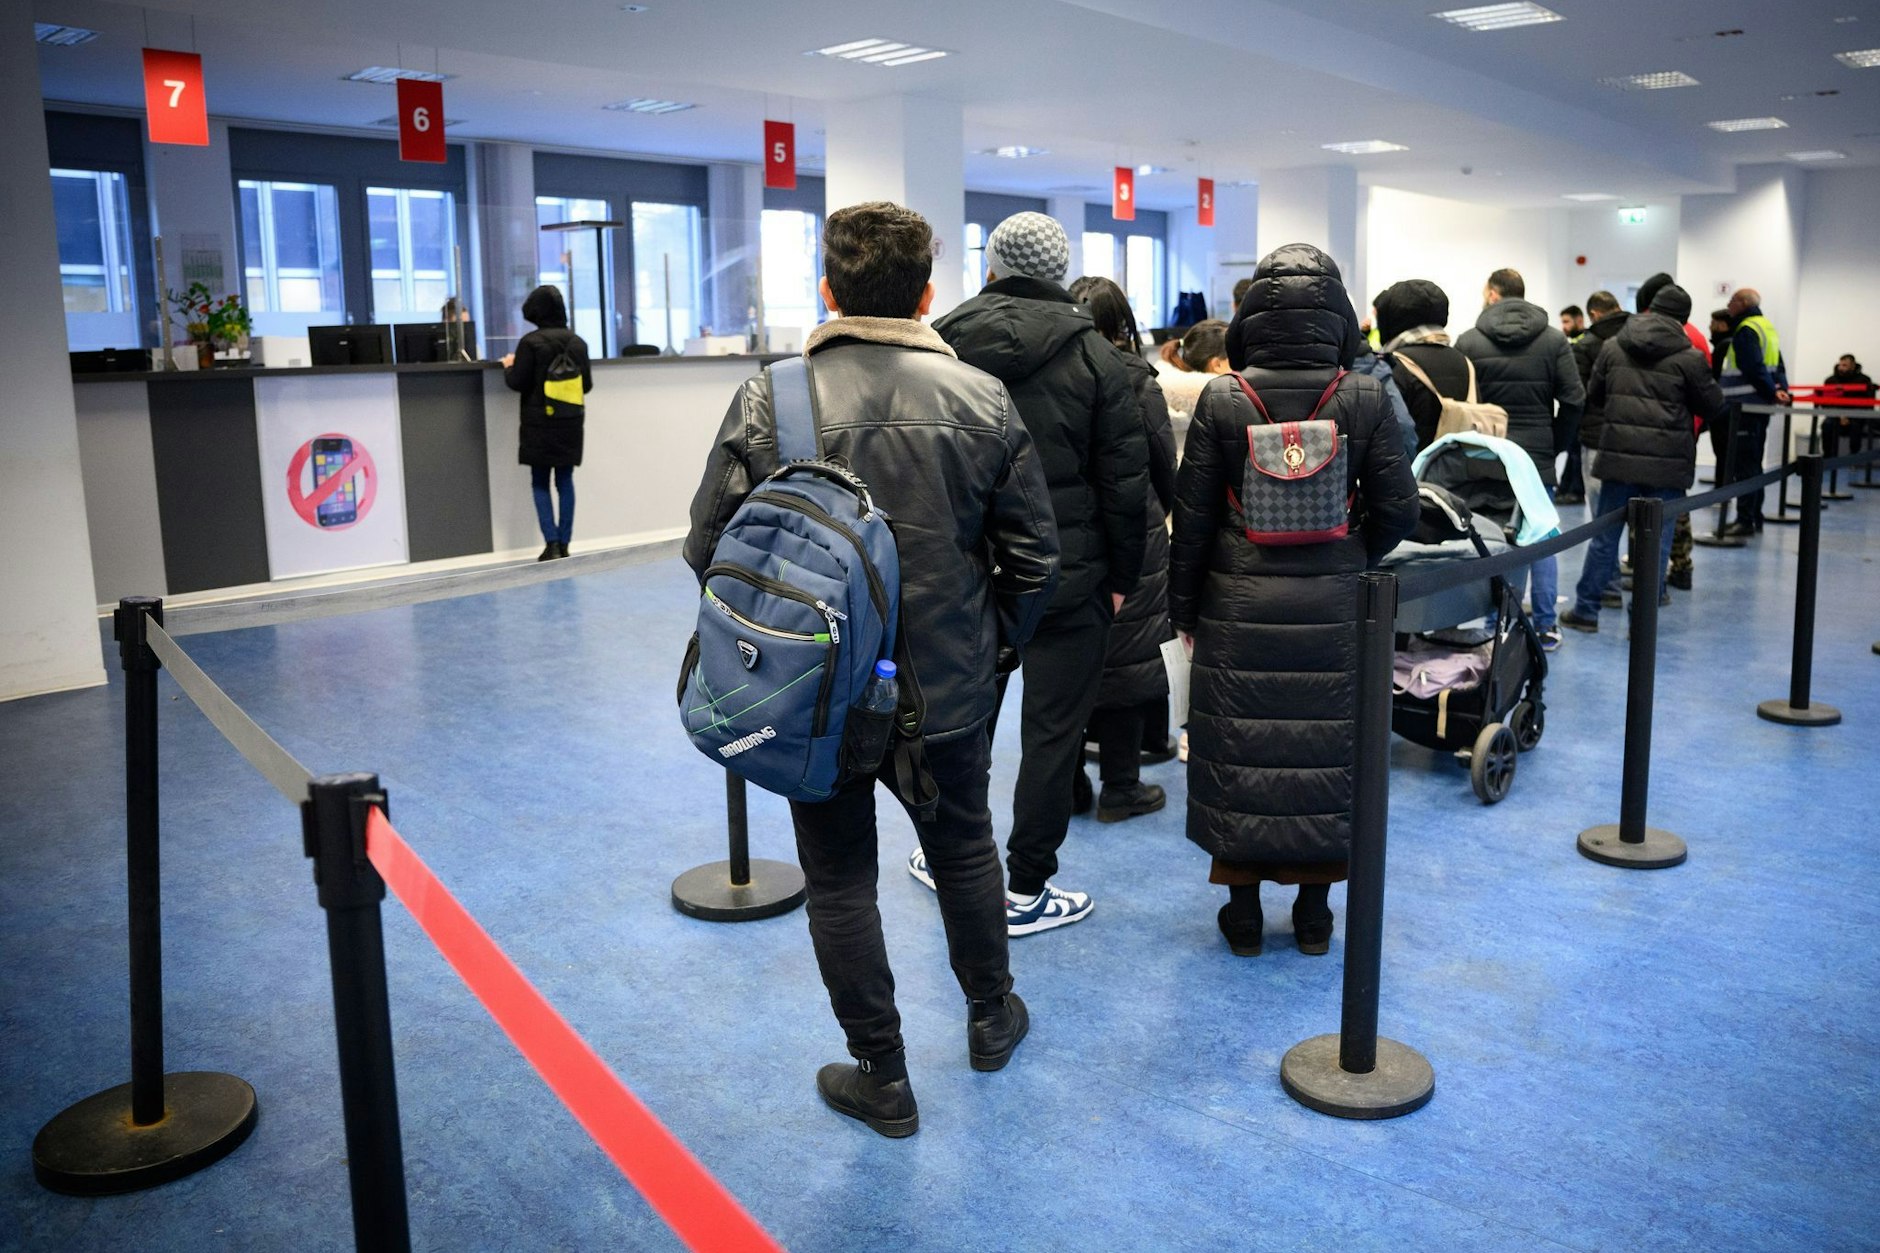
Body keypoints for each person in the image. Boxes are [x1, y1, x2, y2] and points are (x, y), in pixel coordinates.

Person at [684, 202, 1058, 1138]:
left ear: (828, 288)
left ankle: (882, 1074)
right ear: (929, 291)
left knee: (840, 876)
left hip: (818, 695)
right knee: (966, 844)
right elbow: (1036, 561)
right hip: (950, 690)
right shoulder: (982, 398)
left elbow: (708, 547)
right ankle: (989, 1017)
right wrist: (990, 644)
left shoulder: (775, 397)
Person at [1168, 243, 1419, 958]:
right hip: (1336, 609)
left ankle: (1242, 916)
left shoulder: (1222, 397)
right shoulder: (1364, 395)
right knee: (1322, 753)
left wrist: (1182, 611)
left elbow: (1191, 522)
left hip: (1235, 601)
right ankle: (1314, 915)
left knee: (1240, 752)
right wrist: (1352, 550)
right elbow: (1401, 510)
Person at [932, 212, 1147, 934]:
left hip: (967, 575)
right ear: (1060, 271)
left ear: (990, 264)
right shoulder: (1097, 359)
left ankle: (946, 860)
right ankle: (1026, 887)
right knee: (1054, 733)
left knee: (962, 721)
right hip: (1070, 576)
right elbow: (1123, 483)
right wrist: (1122, 574)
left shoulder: (941, 346)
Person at [1066, 276, 1177, 824]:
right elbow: (1164, 464)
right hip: (1135, 531)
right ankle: (1121, 785)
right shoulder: (1137, 379)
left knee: (1065, 666)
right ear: (1120, 324)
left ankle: (1066, 787)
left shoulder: (1045, 378)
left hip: (1064, 532)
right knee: (1128, 664)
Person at [1559, 284, 1724, 634]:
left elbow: (1596, 396)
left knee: (1604, 536)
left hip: (1618, 457)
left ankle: (1586, 611)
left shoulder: (1613, 346)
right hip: (1667, 464)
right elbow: (1712, 406)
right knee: (1657, 542)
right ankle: (1643, 621)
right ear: (1684, 319)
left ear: (1648, 309)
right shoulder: (1689, 356)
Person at [1456, 268, 1585, 650]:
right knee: (1542, 537)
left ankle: (1498, 622)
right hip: (1536, 452)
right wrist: (1556, 444)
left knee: (1495, 538)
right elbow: (1574, 399)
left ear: (1493, 294)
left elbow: (1463, 404)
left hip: (1489, 453)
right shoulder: (1554, 339)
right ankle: (1545, 626)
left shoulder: (1469, 340)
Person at [502, 285, 591, 561]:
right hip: (570, 423)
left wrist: (507, 365)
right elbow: (586, 385)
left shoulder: (531, 343)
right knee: (565, 480)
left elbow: (517, 382)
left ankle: (550, 544)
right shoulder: (577, 342)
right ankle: (565, 544)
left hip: (538, 424)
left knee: (540, 481)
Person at [1718, 287, 1791, 536]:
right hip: (1759, 407)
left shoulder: (1746, 329)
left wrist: (1772, 392)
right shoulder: (1766, 326)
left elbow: (1753, 367)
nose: (1728, 305)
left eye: (1732, 301)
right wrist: (1781, 389)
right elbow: (1778, 365)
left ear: (1743, 303)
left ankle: (1744, 519)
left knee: (1745, 466)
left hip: (1745, 406)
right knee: (1754, 463)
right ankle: (1754, 517)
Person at [1375, 278, 1471, 455]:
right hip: (1462, 473)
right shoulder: (1464, 360)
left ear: (1391, 318)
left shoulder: (1394, 365)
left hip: (1414, 473)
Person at [1563, 290, 1630, 507]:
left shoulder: (1585, 346)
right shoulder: (1637, 337)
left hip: (1595, 434)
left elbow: (1580, 393)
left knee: (1599, 506)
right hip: (1633, 431)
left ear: (1593, 314)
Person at [1819, 355, 1875, 461]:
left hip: (1857, 414)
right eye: (1840, 364)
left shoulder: (1864, 380)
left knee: (1856, 425)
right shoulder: (1831, 380)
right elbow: (1826, 403)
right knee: (1827, 425)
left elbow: (1868, 404)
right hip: (1836, 414)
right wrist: (1840, 415)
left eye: (1845, 365)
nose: (1841, 367)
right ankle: (1827, 457)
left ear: (1853, 366)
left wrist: (1849, 415)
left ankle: (1853, 458)